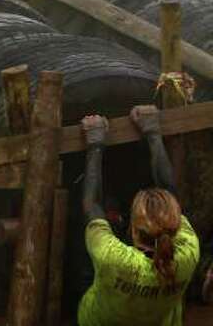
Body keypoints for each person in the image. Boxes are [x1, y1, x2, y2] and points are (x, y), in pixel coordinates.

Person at [77, 105, 200, 324]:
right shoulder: (188, 253)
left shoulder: (114, 258)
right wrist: (153, 131)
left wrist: (95, 145)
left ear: (133, 229)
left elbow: (91, 205)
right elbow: (170, 195)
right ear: (173, 222)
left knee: (87, 263)